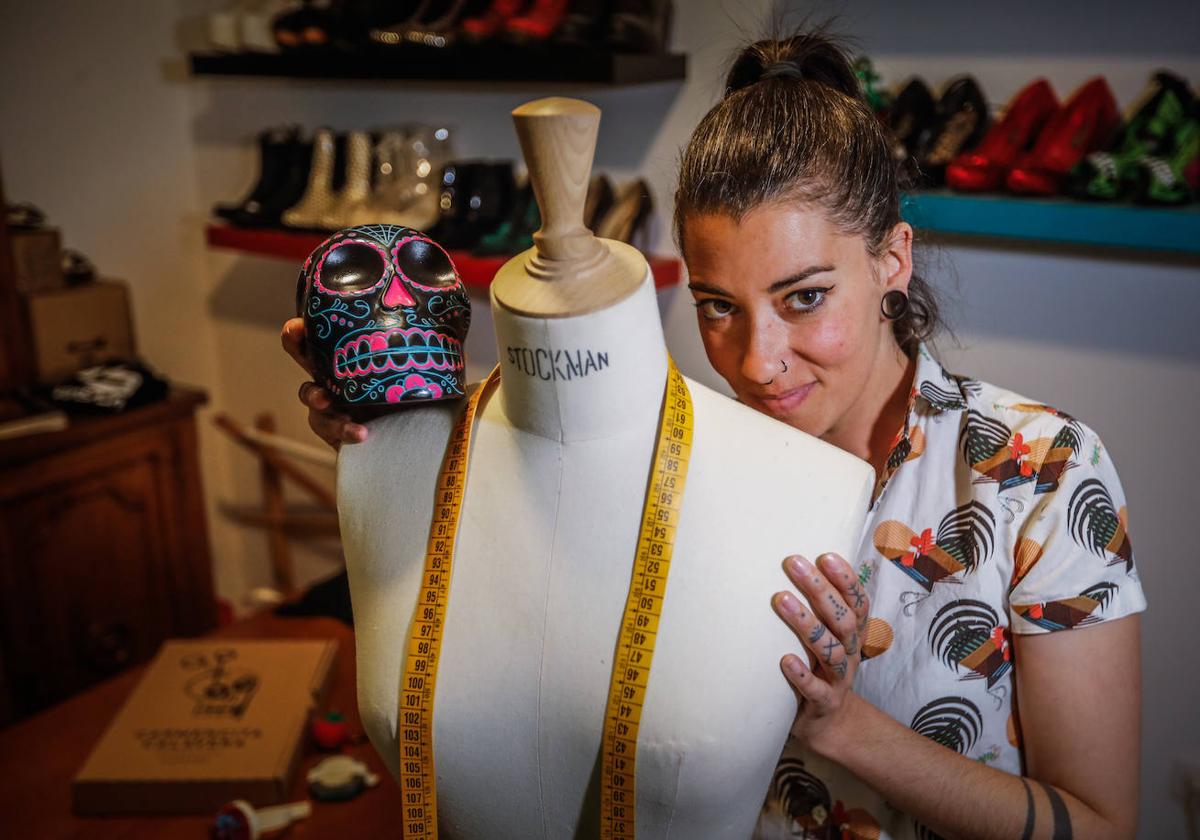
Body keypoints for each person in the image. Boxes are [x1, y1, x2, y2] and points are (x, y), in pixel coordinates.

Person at [280, 27, 1144, 840]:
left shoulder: (1041, 475)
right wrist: (401, 440)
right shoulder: (660, 458)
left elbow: (1100, 825)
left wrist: (845, 726)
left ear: (894, 259)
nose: (759, 361)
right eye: (718, 307)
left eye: (804, 297)